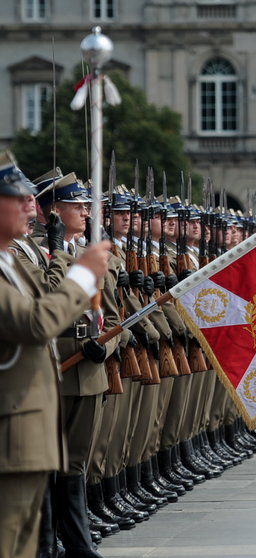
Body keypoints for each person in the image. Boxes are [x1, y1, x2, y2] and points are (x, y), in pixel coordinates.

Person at [0, 153, 111, 558]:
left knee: (73, 467)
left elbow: (101, 309)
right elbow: (38, 319)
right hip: (17, 417)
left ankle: (71, 540)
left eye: (32, 197)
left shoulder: (12, 261)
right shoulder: (15, 259)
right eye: (20, 197)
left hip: (42, 400)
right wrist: (80, 271)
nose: (31, 205)